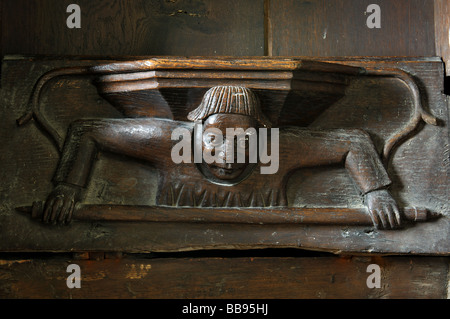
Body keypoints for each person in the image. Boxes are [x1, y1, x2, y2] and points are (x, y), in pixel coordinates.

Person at [42, 86, 401, 229]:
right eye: (214, 140)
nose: (227, 157)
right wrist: (67, 189)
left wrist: (376, 193)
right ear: (194, 134)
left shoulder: (277, 147)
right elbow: (87, 130)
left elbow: (353, 140)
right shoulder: (170, 141)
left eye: (243, 141)